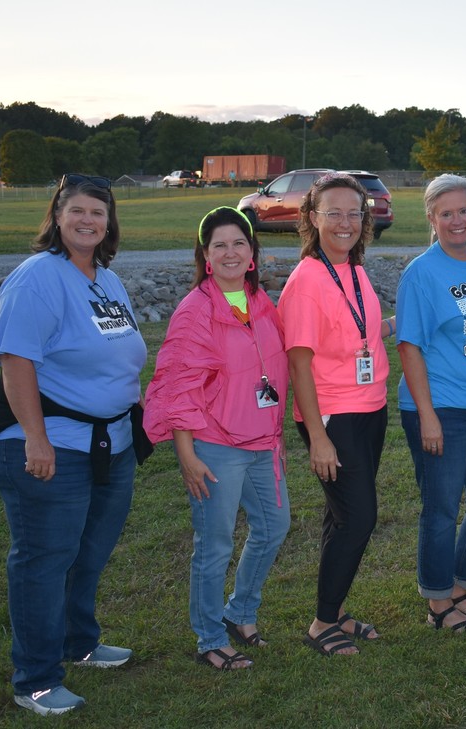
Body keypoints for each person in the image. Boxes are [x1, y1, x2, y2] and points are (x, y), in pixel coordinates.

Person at [0, 174, 146, 715]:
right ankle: (37, 681)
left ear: (109, 223)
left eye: (98, 212)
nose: (88, 220)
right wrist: (36, 439)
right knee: (44, 561)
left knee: (88, 551)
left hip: (108, 443)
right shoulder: (37, 277)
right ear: (57, 216)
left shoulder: (104, 278)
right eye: (77, 211)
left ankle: (79, 642)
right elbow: (15, 360)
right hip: (48, 443)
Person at [143, 206, 290, 671]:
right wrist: (186, 454)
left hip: (262, 443)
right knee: (215, 545)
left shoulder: (261, 302)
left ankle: (240, 612)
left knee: (274, 527)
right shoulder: (195, 311)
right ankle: (209, 637)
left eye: (239, 243)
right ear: (205, 257)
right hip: (216, 446)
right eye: (219, 245)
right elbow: (178, 386)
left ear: (252, 253)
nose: (230, 252)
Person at [278, 173, 394, 657]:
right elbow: (299, 364)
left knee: (341, 515)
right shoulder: (307, 280)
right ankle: (322, 622)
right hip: (333, 416)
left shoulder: (352, 268)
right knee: (359, 518)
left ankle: (336, 610)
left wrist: (395, 323)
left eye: (354, 212)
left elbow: (355, 334)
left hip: (370, 408)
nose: (346, 222)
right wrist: (319, 438)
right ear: (313, 218)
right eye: (334, 213)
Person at [396, 174, 466, 633]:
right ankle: (438, 602)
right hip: (441, 406)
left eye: (464, 210)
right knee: (441, 507)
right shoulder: (421, 273)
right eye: (446, 213)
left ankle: (459, 586)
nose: (457, 220)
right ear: (432, 218)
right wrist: (428, 417)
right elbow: (409, 347)